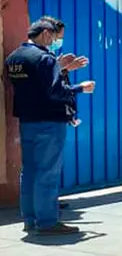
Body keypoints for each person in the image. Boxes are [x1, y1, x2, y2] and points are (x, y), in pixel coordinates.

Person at [5, 17, 94, 235]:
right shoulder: (44, 59)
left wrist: (60, 67)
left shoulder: (13, 58)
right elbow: (55, 91)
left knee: (30, 171)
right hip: (49, 121)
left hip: (27, 120)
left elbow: (33, 86)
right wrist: (80, 88)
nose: (55, 41)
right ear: (45, 34)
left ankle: (29, 218)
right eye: (53, 36)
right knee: (48, 172)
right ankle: (47, 222)